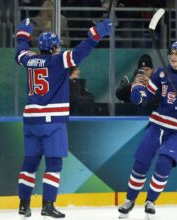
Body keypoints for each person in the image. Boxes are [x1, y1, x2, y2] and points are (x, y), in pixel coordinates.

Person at [14, 17, 111, 218]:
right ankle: (47, 205)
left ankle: (24, 205)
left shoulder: (30, 59)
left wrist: (23, 35)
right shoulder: (58, 61)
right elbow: (79, 54)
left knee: (29, 164)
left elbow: (19, 52)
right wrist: (95, 35)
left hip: (31, 121)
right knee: (54, 164)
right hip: (52, 123)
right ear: (54, 48)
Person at [117, 41, 177, 218]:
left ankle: (150, 201)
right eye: (171, 52)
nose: (173, 56)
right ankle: (129, 200)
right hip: (158, 123)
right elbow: (149, 94)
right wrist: (138, 92)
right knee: (141, 162)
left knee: (163, 163)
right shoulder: (161, 72)